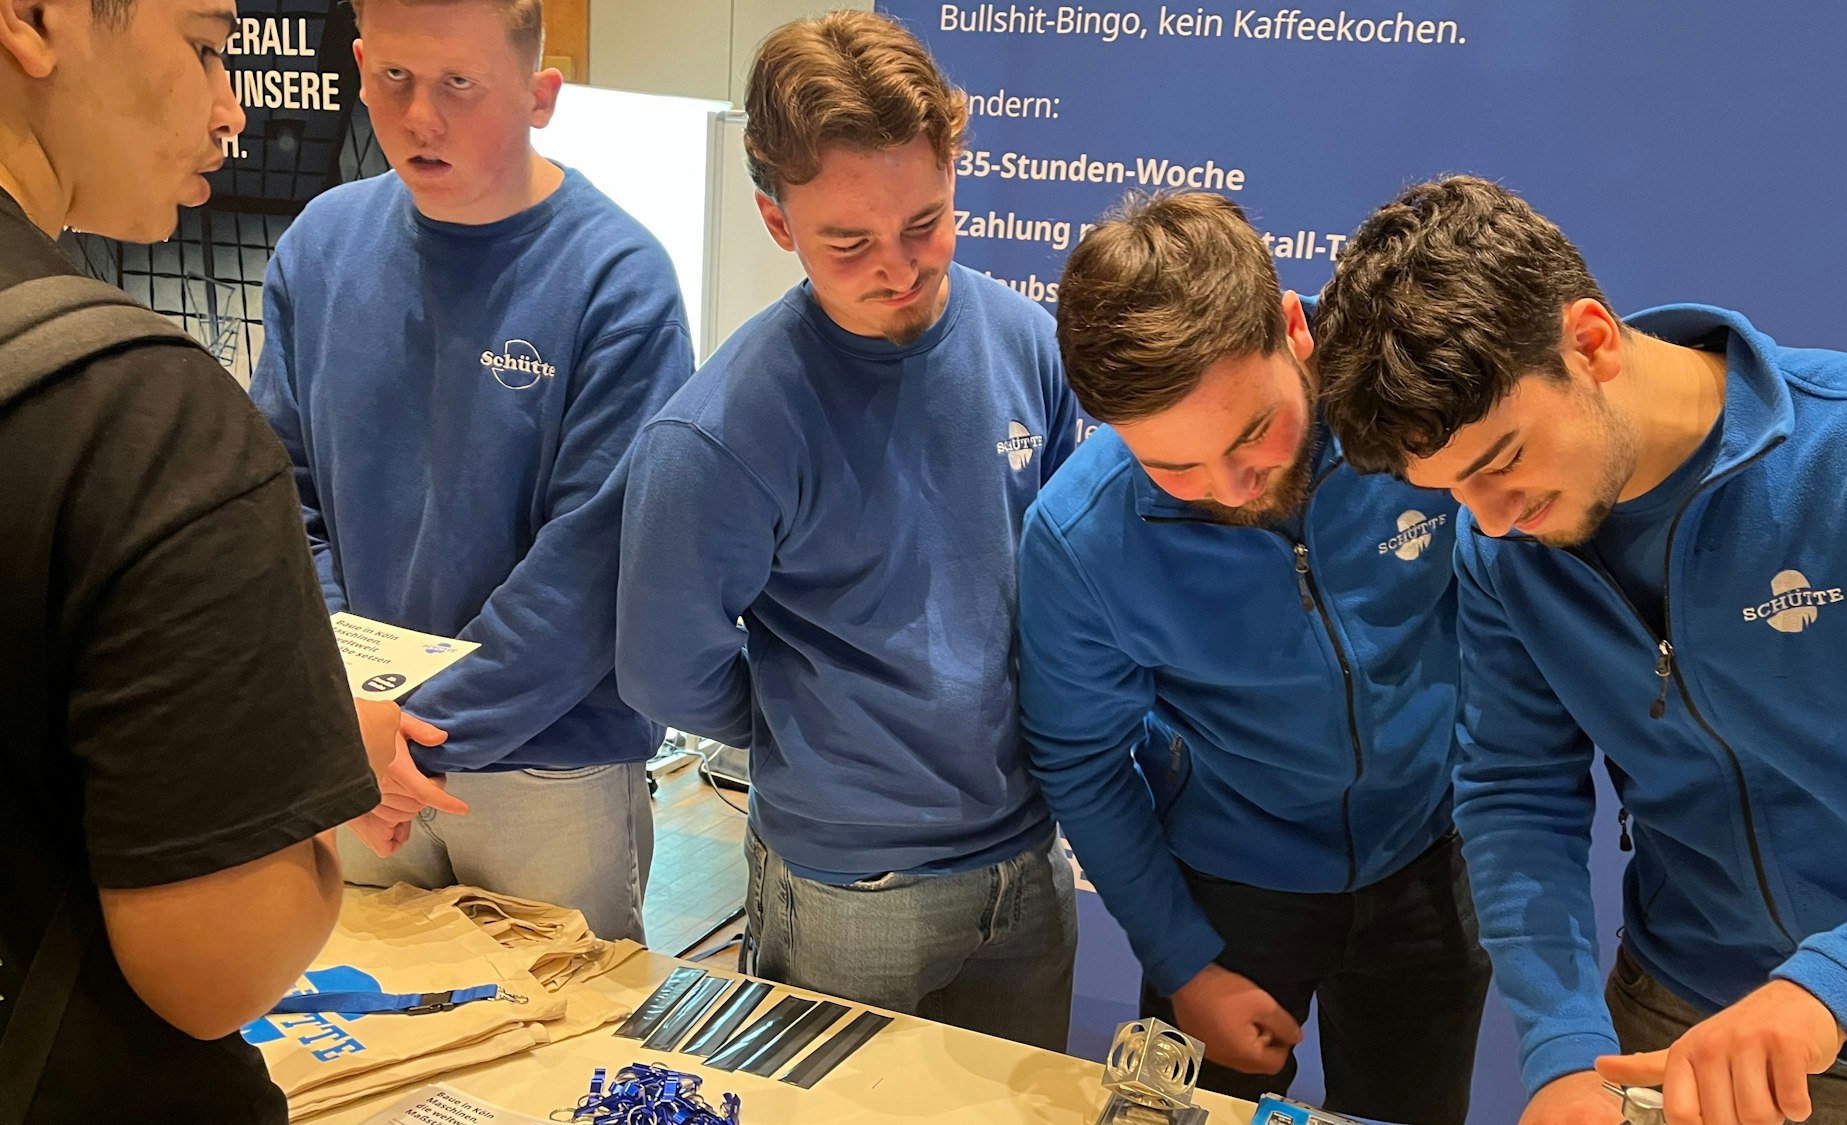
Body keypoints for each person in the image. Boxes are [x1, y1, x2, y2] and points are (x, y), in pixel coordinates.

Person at [1319, 174, 1847, 1125]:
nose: (1493, 521)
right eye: (1451, 493)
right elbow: (1517, 792)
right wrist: (1562, 1048)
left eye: (1503, 460)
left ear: (1590, 342)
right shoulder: (1501, 549)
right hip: (1669, 1027)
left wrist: (1834, 988)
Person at [617, 10, 1081, 1049]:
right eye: (849, 243)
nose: (900, 269)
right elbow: (663, 668)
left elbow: (1067, 595)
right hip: (846, 890)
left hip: (1027, 863)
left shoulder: (1027, 344)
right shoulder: (719, 432)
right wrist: (815, 726)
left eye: (925, 223)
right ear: (777, 224)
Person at [0, 1, 403, 1119]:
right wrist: (306, 776)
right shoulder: (134, 415)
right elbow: (212, 967)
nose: (232, 107)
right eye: (206, 46)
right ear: (35, 20)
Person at [1018, 192, 1487, 1123]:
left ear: (1293, 328)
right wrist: (1183, 960)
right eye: (1173, 469)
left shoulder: (1411, 419)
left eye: (1251, 433)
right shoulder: (1080, 536)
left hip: (1426, 857)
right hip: (1230, 888)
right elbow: (1080, 758)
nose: (1229, 487)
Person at [251, 0, 694, 941]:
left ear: (540, 96)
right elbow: (281, 506)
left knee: (561, 1068)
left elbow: (590, 567)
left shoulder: (617, 278)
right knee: (377, 1058)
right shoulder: (318, 251)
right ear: (360, 66)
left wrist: (403, 737)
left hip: (548, 767)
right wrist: (355, 713)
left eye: (460, 84)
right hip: (360, 750)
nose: (420, 118)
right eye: (395, 80)